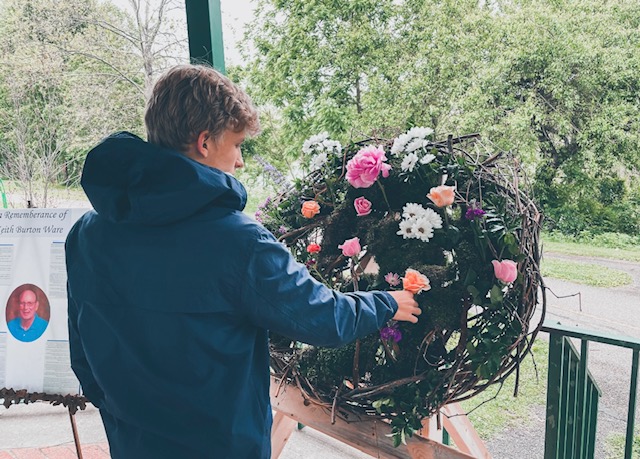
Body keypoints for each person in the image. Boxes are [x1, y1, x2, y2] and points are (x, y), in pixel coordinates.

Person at [65, 64, 421, 459]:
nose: (240, 162)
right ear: (204, 142)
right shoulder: (239, 242)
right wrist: (387, 302)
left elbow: (81, 354)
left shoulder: (86, 235)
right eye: (237, 145)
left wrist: (119, 415)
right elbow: (321, 318)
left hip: (132, 445)